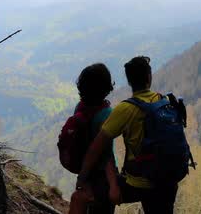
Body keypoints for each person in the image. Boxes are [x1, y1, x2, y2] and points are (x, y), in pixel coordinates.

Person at [75, 56, 181, 214]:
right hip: (169, 179)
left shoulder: (125, 109)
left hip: (140, 182)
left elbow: (96, 148)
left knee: (98, 192)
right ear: (149, 77)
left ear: (129, 81)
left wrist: (82, 178)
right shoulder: (164, 101)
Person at [67, 63, 119, 214]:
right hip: (103, 177)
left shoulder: (80, 107)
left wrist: (82, 177)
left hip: (85, 172)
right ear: (106, 87)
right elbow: (106, 154)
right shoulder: (107, 114)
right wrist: (114, 185)